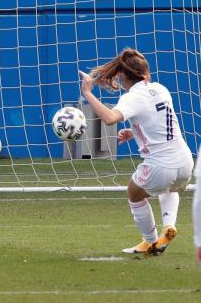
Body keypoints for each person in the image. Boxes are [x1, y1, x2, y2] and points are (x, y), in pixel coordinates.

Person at [79, 48, 193, 256]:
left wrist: (87, 93)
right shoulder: (160, 88)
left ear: (122, 76)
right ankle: (168, 226)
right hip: (185, 161)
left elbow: (110, 118)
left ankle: (149, 242)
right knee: (171, 189)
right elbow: (157, 120)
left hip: (161, 164)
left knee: (134, 193)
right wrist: (134, 132)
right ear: (145, 71)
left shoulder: (132, 98)